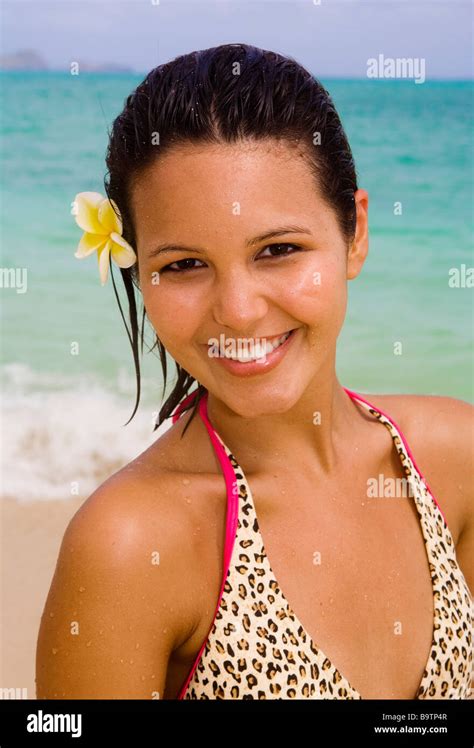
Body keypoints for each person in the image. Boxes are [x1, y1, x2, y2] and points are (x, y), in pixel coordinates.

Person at [36, 43, 473, 700]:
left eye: (278, 250)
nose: (238, 313)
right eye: (184, 264)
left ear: (354, 232)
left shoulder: (453, 459)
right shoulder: (129, 547)